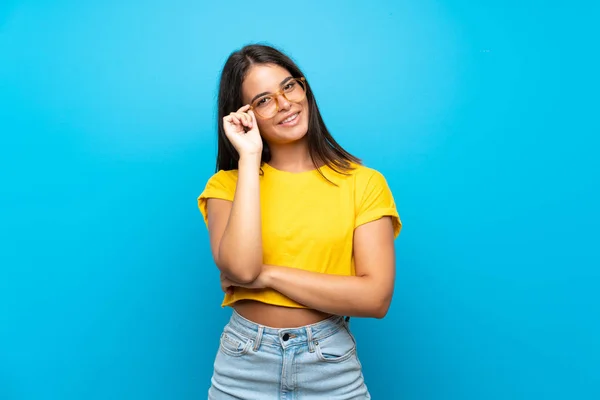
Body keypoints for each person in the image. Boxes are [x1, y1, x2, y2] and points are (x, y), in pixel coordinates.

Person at [197, 44, 402, 400]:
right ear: (244, 115)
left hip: (329, 362)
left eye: (289, 86)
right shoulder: (227, 187)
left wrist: (269, 275)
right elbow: (242, 271)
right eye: (263, 100)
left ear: (303, 88)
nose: (285, 104)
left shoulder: (364, 183)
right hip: (244, 362)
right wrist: (249, 157)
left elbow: (375, 298)